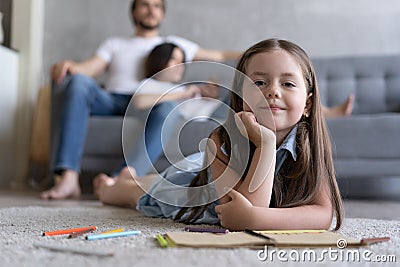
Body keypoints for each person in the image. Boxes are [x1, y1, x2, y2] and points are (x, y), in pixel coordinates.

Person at [94, 38, 344, 231]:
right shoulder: (220, 141)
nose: (273, 92)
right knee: (134, 194)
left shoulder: (312, 145)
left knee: (146, 182)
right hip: (192, 189)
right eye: (259, 83)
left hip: (199, 169)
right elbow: (246, 214)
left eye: (287, 84)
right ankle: (110, 185)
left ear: (308, 105)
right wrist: (265, 144)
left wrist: (254, 217)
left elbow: (322, 215)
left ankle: (130, 177)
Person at [41, 0, 242, 200]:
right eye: (145, 5)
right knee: (78, 82)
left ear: (162, 14)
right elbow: (88, 69)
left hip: (153, 104)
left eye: (157, 6)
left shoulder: (175, 45)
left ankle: (122, 176)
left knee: (169, 108)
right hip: (113, 99)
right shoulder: (115, 44)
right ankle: (68, 176)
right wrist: (70, 66)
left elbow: (220, 54)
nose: (151, 10)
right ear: (134, 13)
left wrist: (259, 53)